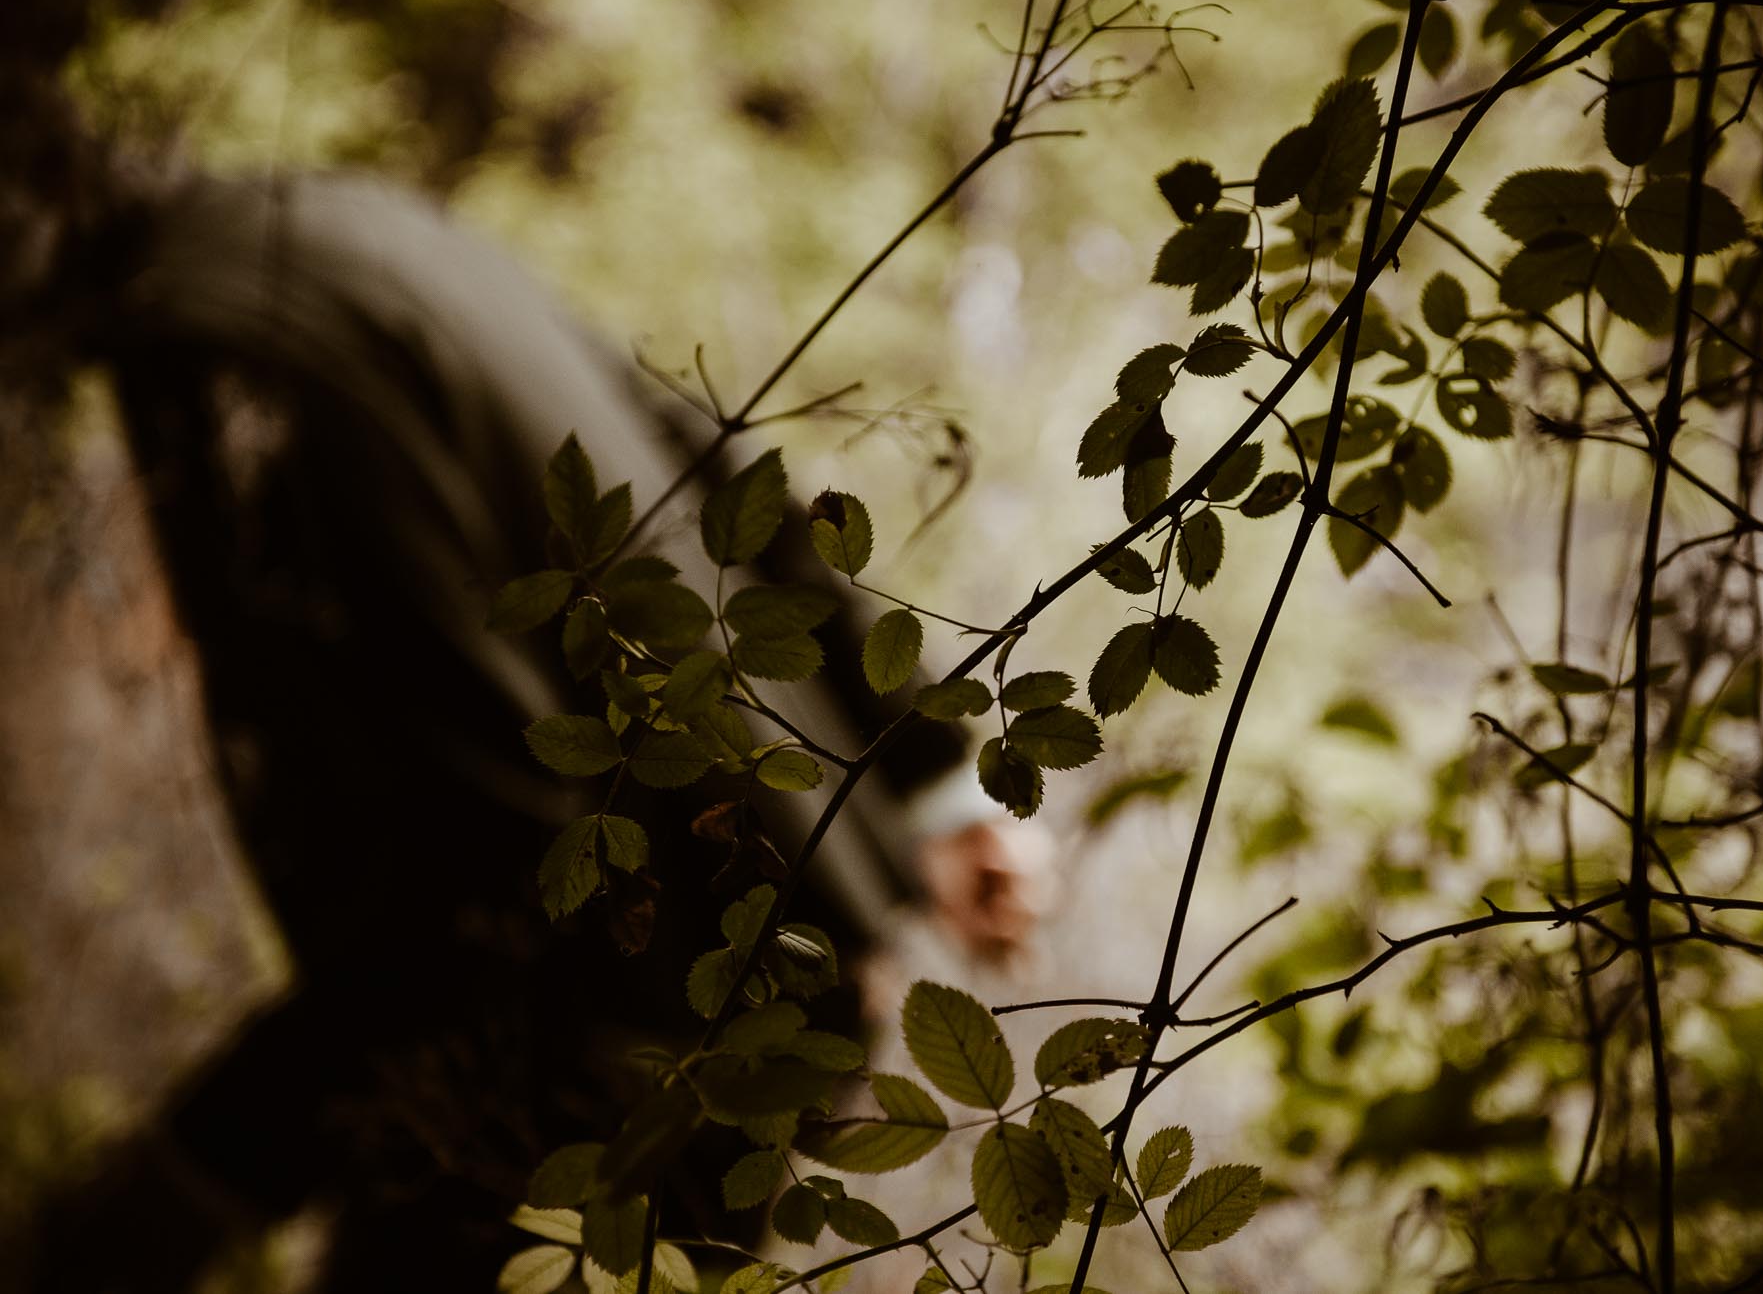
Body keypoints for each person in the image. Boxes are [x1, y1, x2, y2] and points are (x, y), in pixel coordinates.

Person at [33, 170, 1047, 1290]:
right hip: (757, 950)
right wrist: (931, 773)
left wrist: (188, 1182)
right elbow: (716, 458)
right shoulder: (344, 219)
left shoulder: (236, 360)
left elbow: (478, 851)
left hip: (640, 1021)